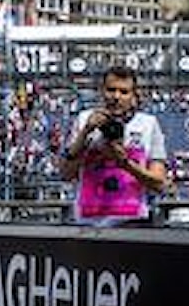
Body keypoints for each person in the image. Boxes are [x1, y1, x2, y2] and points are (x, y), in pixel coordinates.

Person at [61, 65, 167, 226]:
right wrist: (85, 133)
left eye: (124, 92)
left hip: (132, 222)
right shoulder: (84, 120)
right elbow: (66, 174)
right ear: (102, 91)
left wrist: (125, 163)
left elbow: (159, 184)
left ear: (133, 95)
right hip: (88, 222)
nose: (116, 96)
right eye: (111, 90)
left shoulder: (149, 124)